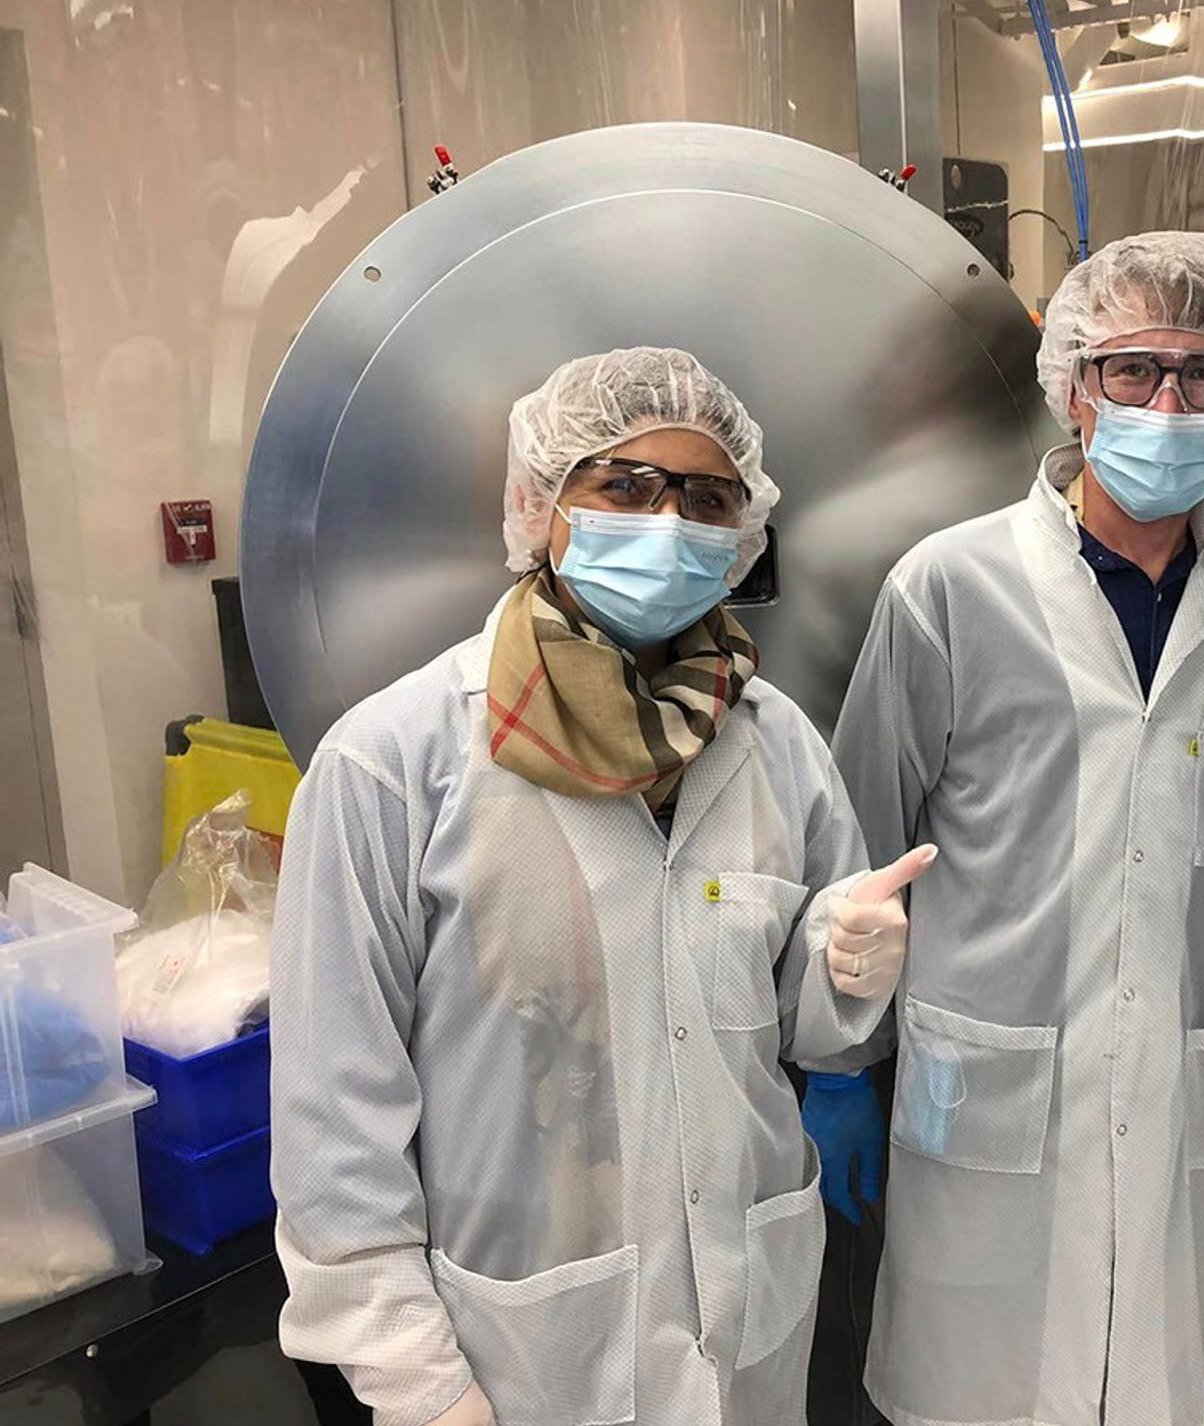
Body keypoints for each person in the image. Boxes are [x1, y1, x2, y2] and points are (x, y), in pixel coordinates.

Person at [270, 347, 931, 1426]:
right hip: (520, 1357)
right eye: (624, 485)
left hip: (743, 1336)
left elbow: (797, 1034)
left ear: (743, 535)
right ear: (540, 506)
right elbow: (333, 1128)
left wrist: (844, 970)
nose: (668, 521)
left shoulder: (772, 744)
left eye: (707, 497)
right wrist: (420, 1386)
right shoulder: (394, 765)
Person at [830, 231, 1204, 1426]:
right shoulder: (947, 588)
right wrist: (831, 1068)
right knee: (967, 1393)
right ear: (1075, 386)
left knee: (1143, 1384)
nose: (1167, 402)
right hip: (983, 1104)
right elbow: (853, 857)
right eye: (1134, 369)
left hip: (1166, 1103)